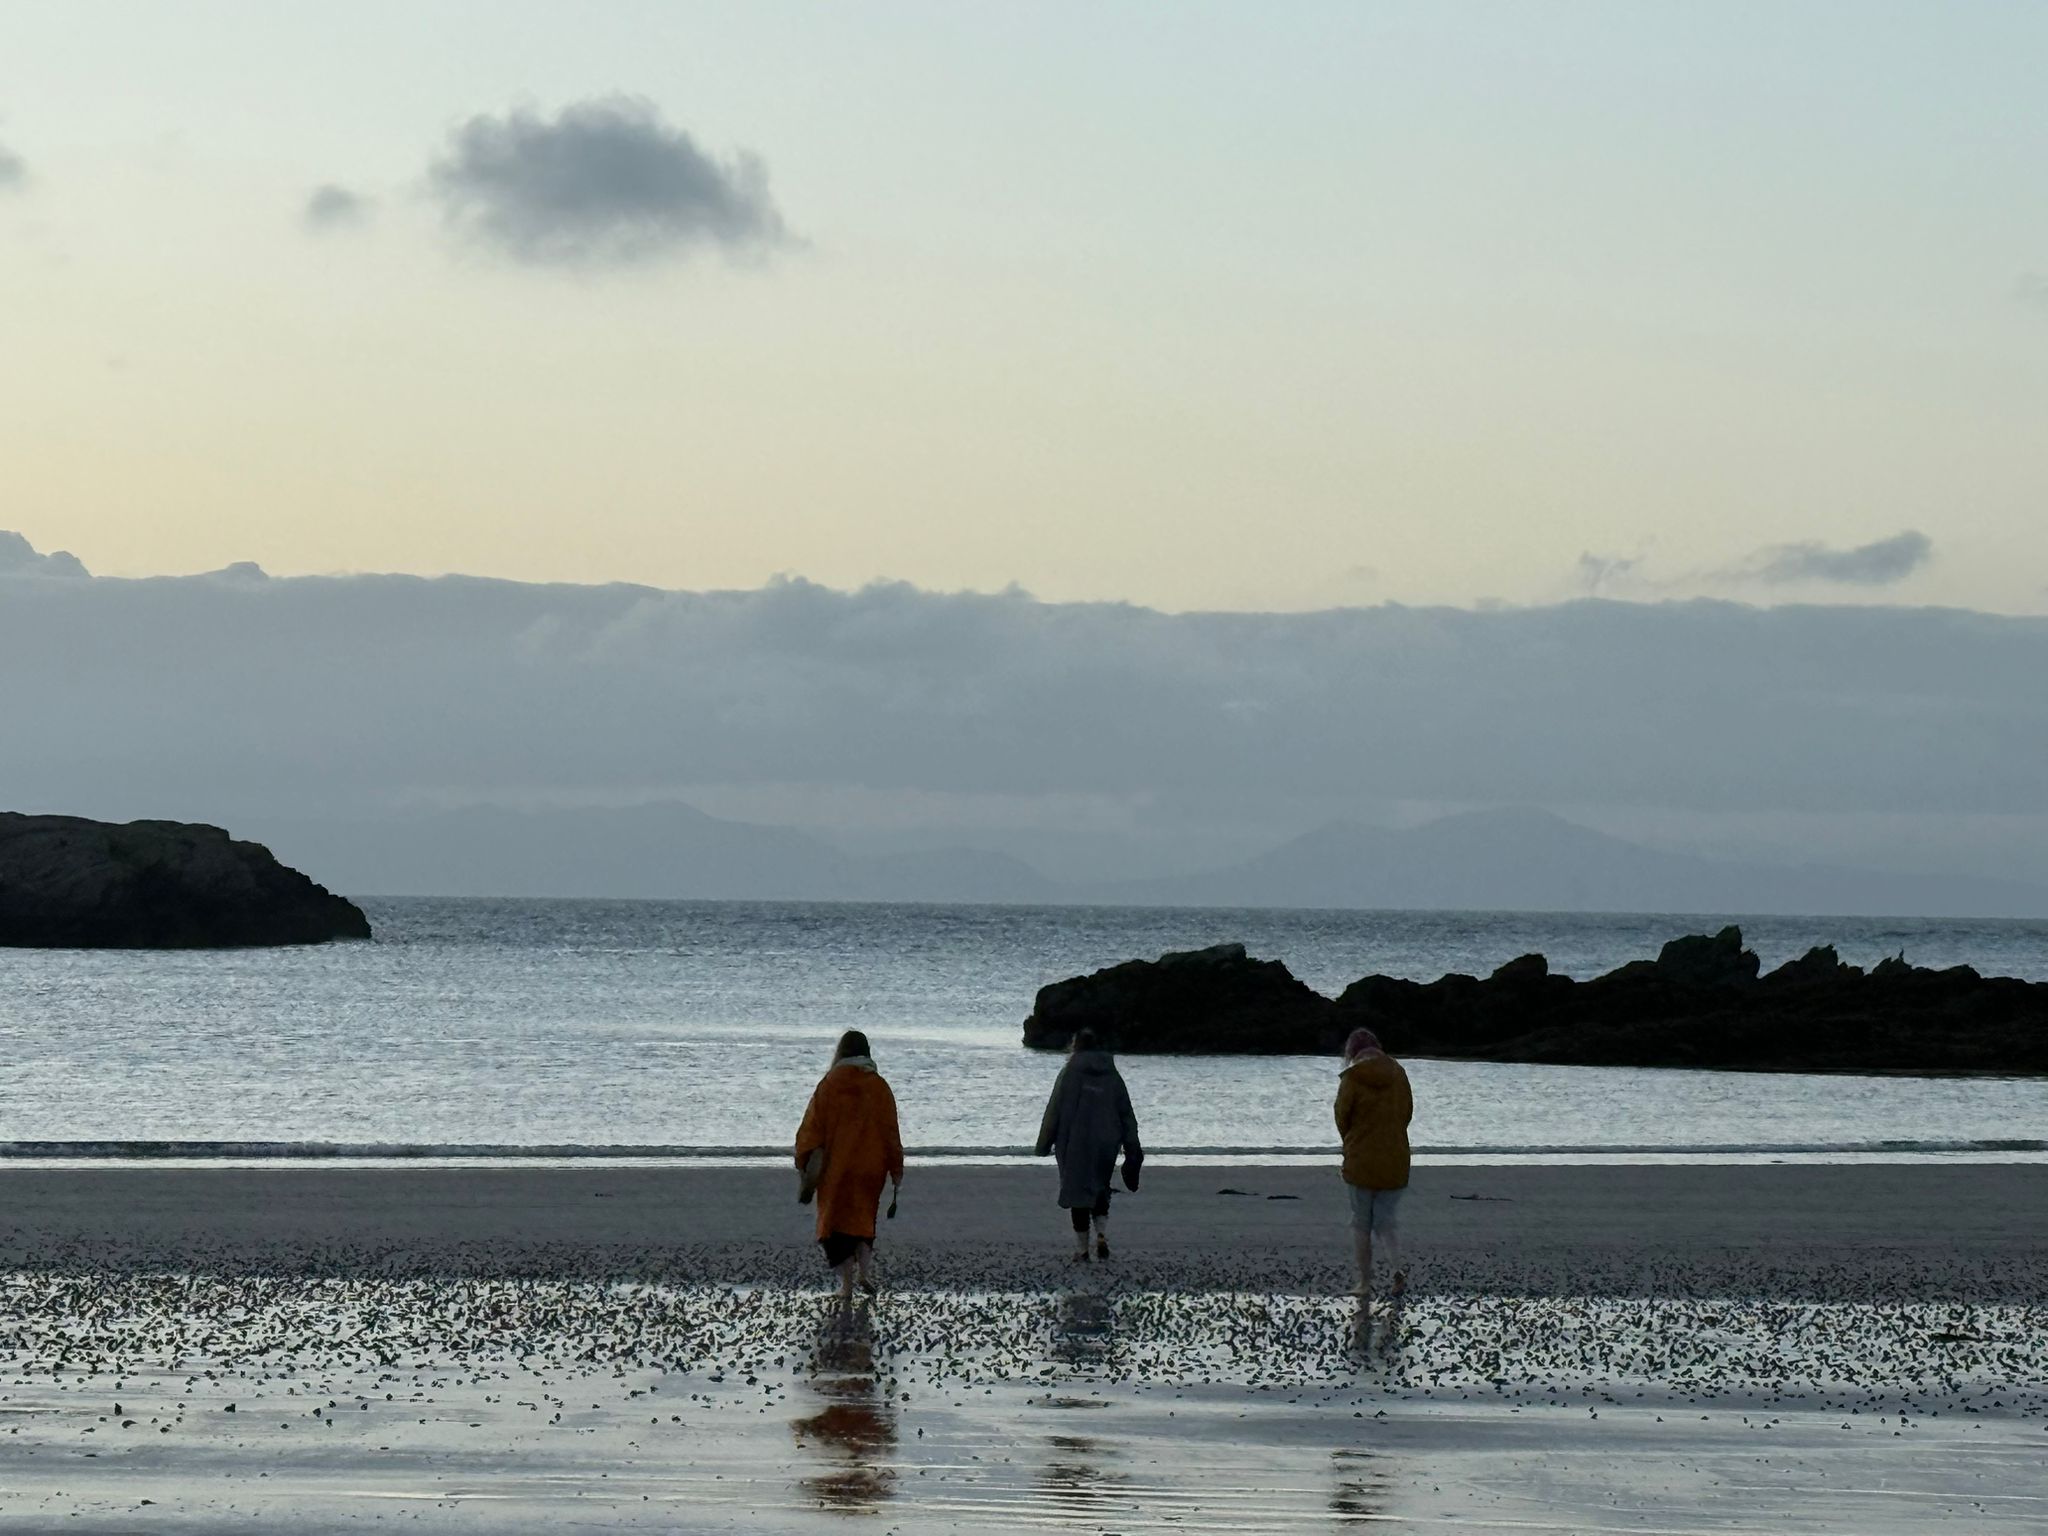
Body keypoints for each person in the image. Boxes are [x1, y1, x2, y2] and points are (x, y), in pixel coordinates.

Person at [795, 1029, 905, 1300]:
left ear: (841, 1052)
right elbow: (891, 1131)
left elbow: (811, 1129)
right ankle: (865, 1276)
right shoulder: (879, 1086)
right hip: (871, 1167)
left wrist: (804, 1159)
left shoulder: (830, 1084)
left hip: (838, 1169)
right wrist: (896, 1168)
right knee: (864, 1221)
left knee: (837, 1226)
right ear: (867, 1052)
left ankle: (846, 1287)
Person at [1035, 1027, 1142, 1262]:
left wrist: (1043, 1144)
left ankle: (1082, 1249)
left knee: (1077, 1194)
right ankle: (1101, 1234)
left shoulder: (1070, 1073)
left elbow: (1054, 1110)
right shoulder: (1113, 1075)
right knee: (1100, 1187)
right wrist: (1131, 1144)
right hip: (1107, 1141)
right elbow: (1126, 1112)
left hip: (1074, 1142)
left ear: (1076, 1046)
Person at [1335, 1026, 1412, 1300]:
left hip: (1361, 1159)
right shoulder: (1398, 1073)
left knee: (1360, 1223)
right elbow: (1407, 1114)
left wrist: (1352, 1142)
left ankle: (1365, 1283)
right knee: (1386, 1221)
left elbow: (1342, 1117)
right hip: (1396, 1157)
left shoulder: (1352, 1078)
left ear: (1352, 1052)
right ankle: (1396, 1269)